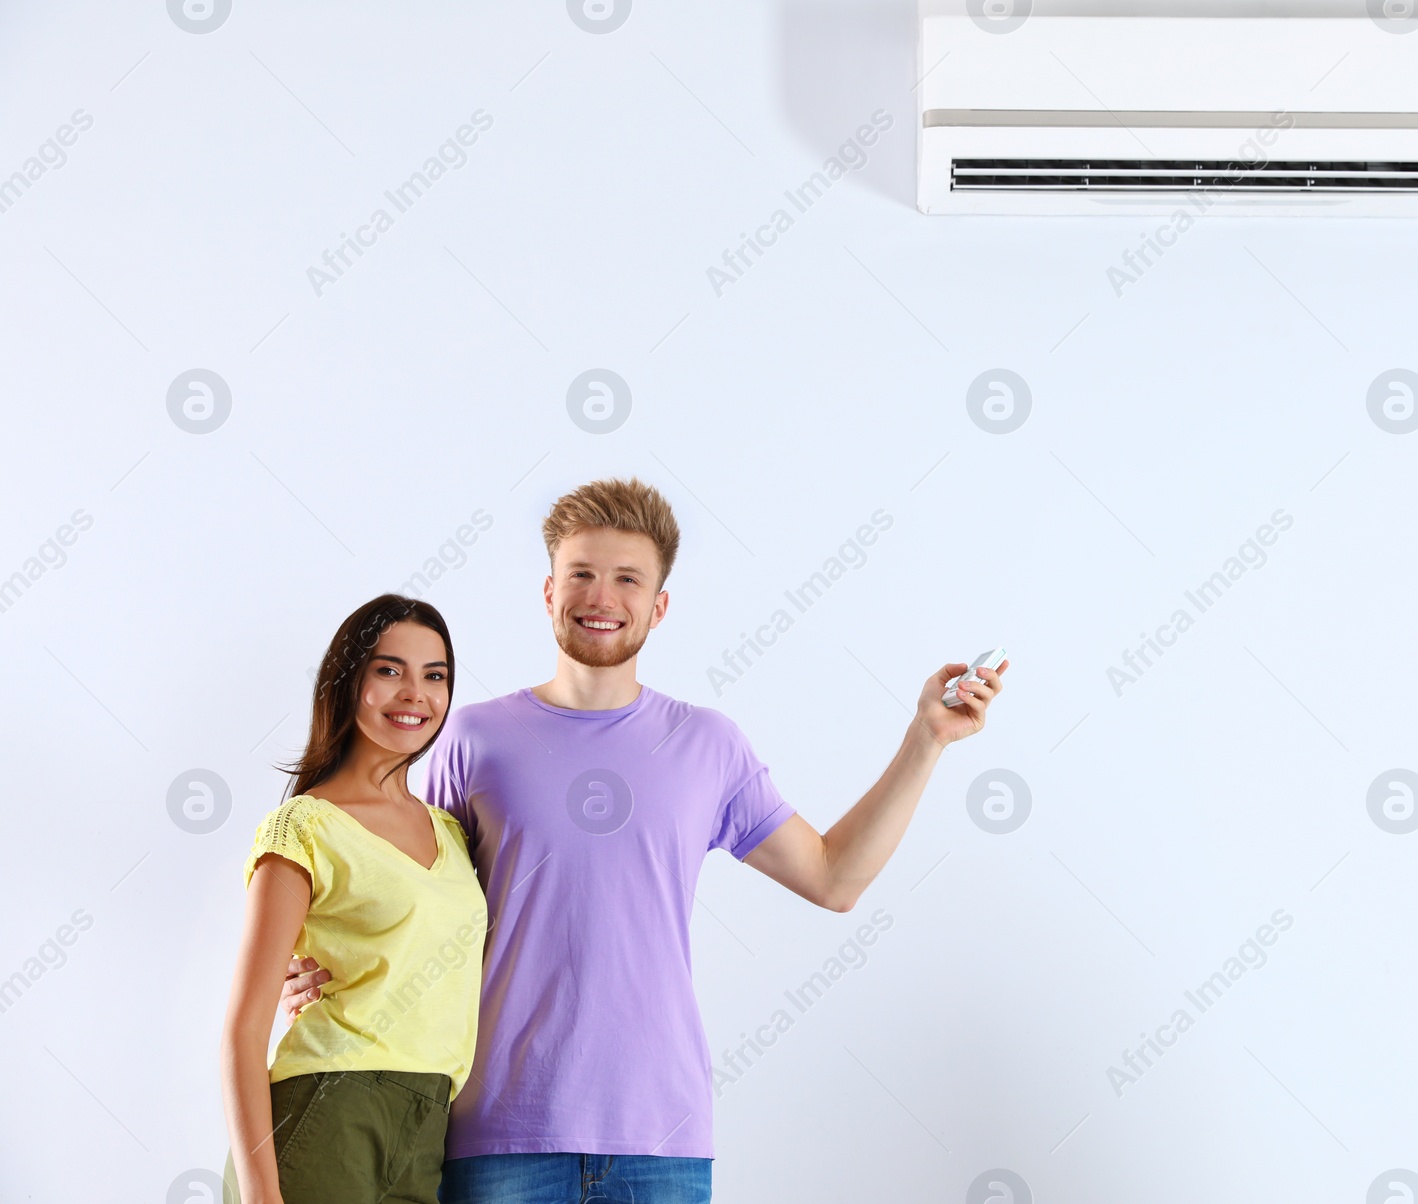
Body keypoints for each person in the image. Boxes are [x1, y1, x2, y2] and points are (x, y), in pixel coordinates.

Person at [279, 478, 1008, 1204]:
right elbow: (399, 884)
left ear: (658, 607)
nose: (602, 597)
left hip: (662, 1144)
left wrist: (926, 740)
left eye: (628, 579)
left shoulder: (707, 745)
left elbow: (835, 879)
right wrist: (312, 961)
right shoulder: (474, 738)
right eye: (582, 575)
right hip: (496, 1137)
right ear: (548, 592)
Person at [221, 595, 488, 1204]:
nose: (415, 693)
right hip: (328, 1112)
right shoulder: (305, 826)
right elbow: (242, 1031)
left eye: (435, 676)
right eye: (389, 670)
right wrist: (262, 1198)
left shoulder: (449, 831)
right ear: (348, 682)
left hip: (427, 1127)